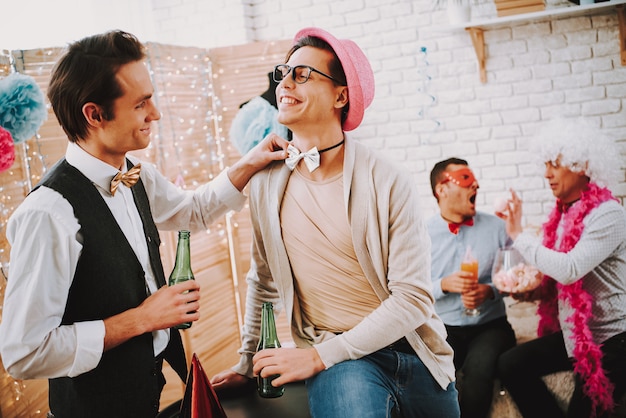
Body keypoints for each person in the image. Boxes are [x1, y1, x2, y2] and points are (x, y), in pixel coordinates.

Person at [0, 30, 289, 418]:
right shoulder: (48, 214)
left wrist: (249, 162)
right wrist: (142, 319)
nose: (155, 114)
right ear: (95, 114)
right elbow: (24, 352)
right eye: (141, 104)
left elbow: (194, 211)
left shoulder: (139, 176)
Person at [210, 27, 460, 418]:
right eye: (284, 72)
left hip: (416, 351)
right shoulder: (264, 184)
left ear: (341, 95)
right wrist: (247, 361)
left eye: (303, 74)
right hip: (340, 361)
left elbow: (412, 299)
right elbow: (264, 280)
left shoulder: (388, 178)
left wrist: (315, 358)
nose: (285, 83)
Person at [496, 118, 626, 418]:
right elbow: (559, 279)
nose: (547, 174)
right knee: (510, 364)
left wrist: (518, 234)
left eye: (554, 164)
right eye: (545, 165)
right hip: (576, 336)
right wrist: (534, 292)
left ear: (580, 165)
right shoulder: (563, 215)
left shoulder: (609, 214)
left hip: (613, 341)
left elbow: (570, 269)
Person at [427, 158, 516, 418]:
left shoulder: (498, 228)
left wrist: (490, 290)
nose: (475, 184)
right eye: (465, 179)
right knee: (432, 377)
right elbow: (407, 287)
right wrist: (442, 285)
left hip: (491, 326)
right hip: (443, 328)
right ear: (441, 190)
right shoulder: (420, 234)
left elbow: (517, 277)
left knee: (478, 371)